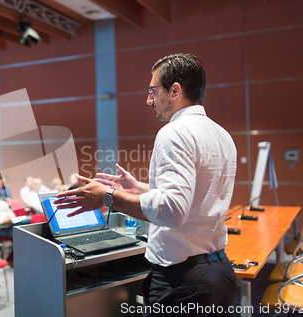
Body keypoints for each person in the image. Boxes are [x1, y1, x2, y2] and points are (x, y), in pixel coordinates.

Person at [55, 53, 238, 316]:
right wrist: (139, 189)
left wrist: (108, 196)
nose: (149, 100)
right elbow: (195, 197)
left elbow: (173, 212)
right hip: (218, 272)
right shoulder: (222, 135)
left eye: (153, 91)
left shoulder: (174, 132)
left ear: (175, 90)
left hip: (184, 282)